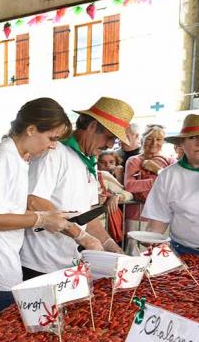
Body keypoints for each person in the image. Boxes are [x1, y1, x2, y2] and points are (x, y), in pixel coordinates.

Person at [0, 98, 72, 321]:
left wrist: (44, 217)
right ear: (31, 129)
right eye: (51, 138)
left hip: (2, 259)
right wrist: (41, 219)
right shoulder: (3, 158)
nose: (52, 145)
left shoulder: (16, 157)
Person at [20, 97, 132, 278]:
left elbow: (85, 214)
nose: (110, 145)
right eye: (110, 137)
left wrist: (110, 244)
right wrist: (80, 235)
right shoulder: (55, 153)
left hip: (69, 264)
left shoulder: (89, 161)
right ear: (92, 126)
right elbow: (33, 200)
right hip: (39, 264)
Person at [143, 113, 199, 258]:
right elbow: (156, 225)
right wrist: (147, 246)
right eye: (193, 137)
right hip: (182, 254)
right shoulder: (167, 176)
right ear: (181, 143)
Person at [123, 126, 175, 244]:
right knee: (134, 253)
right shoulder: (134, 160)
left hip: (163, 218)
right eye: (149, 139)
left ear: (163, 142)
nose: (154, 143)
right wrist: (158, 181)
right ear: (142, 140)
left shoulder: (171, 161)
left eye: (159, 139)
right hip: (136, 216)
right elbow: (130, 186)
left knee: (159, 255)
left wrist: (157, 170)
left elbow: (174, 185)